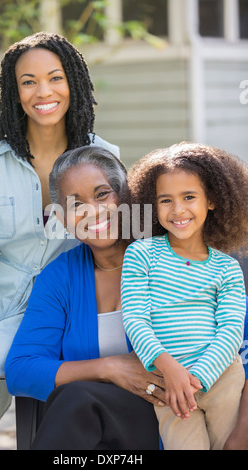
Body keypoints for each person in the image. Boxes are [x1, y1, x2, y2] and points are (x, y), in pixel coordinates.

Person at [0, 31, 120, 450]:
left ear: (72, 83)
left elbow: (115, 242)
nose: (43, 91)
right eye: (28, 81)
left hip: (56, 308)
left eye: (55, 77)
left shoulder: (102, 157)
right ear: (14, 91)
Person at [5, 146, 164, 450]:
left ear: (126, 197)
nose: (92, 211)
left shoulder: (169, 258)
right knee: (78, 400)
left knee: (77, 399)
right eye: (76, 204)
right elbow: (21, 369)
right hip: (94, 426)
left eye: (102, 194)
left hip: (172, 419)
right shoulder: (60, 277)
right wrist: (109, 368)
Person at [121, 142, 248, 450]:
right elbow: (135, 319)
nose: (178, 210)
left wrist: (197, 379)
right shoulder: (141, 254)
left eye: (189, 197)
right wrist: (170, 369)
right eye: (166, 200)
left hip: (221, 378)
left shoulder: (227, 268)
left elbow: (231, 332)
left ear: (212, 201)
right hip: (168, 385)